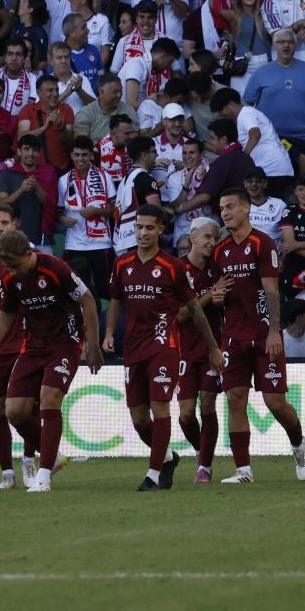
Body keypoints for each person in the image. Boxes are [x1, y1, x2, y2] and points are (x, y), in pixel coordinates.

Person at [104, 205, 218, 491]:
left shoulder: (172, 266)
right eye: (139, 227)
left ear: (161, 230)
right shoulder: (122, 264)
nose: (143, 233)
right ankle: (167, 457)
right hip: (133, 347)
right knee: (139, 418)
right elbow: (116, 301)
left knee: (160, 408)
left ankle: (153, 475)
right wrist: (107, 333)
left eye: (149, 228)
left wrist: (213, 347)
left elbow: (193, 307)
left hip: (164, 345)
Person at [0, 228, 103, 493]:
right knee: (13, 411)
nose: (10, 270)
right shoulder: (11, 279)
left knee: (50, 399)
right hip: (33, 346)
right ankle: (54, 455)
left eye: (14, 264)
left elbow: (88, 302)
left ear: (29, 253)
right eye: (6, 265)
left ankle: (44, 475)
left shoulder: (55, 269)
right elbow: (7, 311)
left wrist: (92, 345)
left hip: (65, 343)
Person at [213, 187, 305, 483]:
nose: (226, 212)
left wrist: (273, 331)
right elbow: (218, 288)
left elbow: (271, 291)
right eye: (222, 208)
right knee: (234, 397)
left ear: (245, 209)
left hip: (262, 334)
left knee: (274, 401)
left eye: (230, 206)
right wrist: (216, 296)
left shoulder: (262, 243)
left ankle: (298, 443)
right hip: (232, 335)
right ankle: (244, 470)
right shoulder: (221, 251)